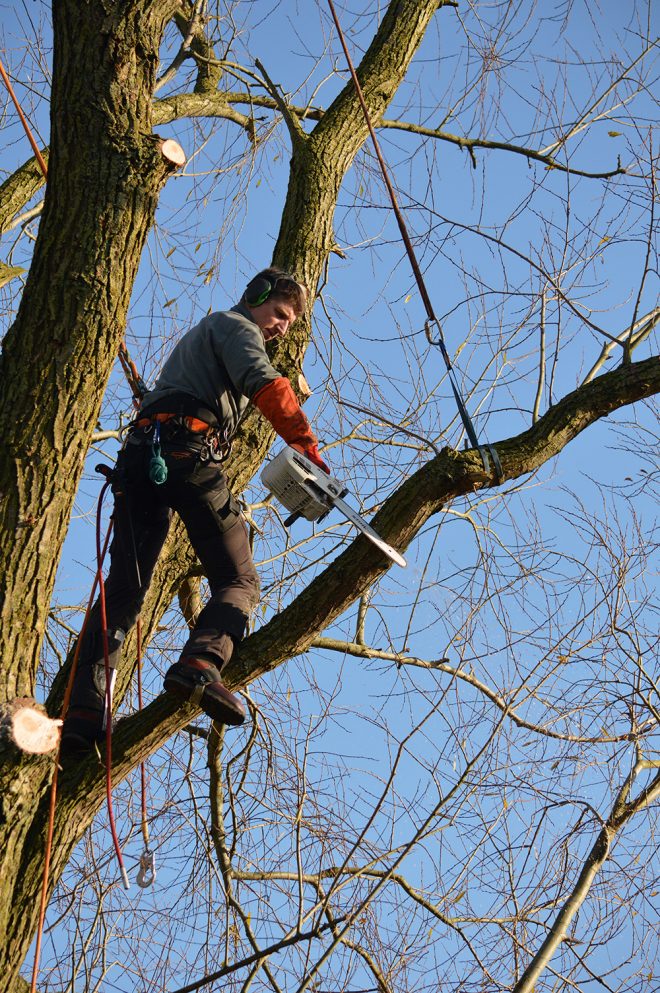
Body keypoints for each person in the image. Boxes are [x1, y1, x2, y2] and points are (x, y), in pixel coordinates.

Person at [61, 267, 328, 755]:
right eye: (279, 314)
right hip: (185, 453)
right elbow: (268, 386)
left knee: (124, 590)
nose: (279, 328)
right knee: (240, 580)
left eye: (288, 324)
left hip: (142, 461)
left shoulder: (200, 343)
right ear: (256, 297)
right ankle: (202, 662)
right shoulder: (236, 328)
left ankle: (82, 712)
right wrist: (307, 449)